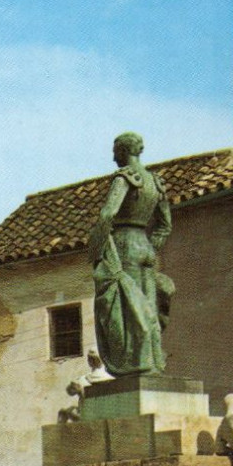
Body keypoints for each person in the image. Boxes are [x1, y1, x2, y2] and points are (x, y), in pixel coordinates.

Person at [89, 132, 173, 376]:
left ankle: (135, 365)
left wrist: (97, 251)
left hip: (123, 244)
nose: (113, 156)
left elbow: (107, 214)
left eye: (115, 151)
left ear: (123, 151)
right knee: (146, 306)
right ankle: (153, 363)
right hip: (144, 246)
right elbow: (165, 224)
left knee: (127, 309)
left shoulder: (124, 177)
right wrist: (151, 246)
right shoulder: (156, 182)